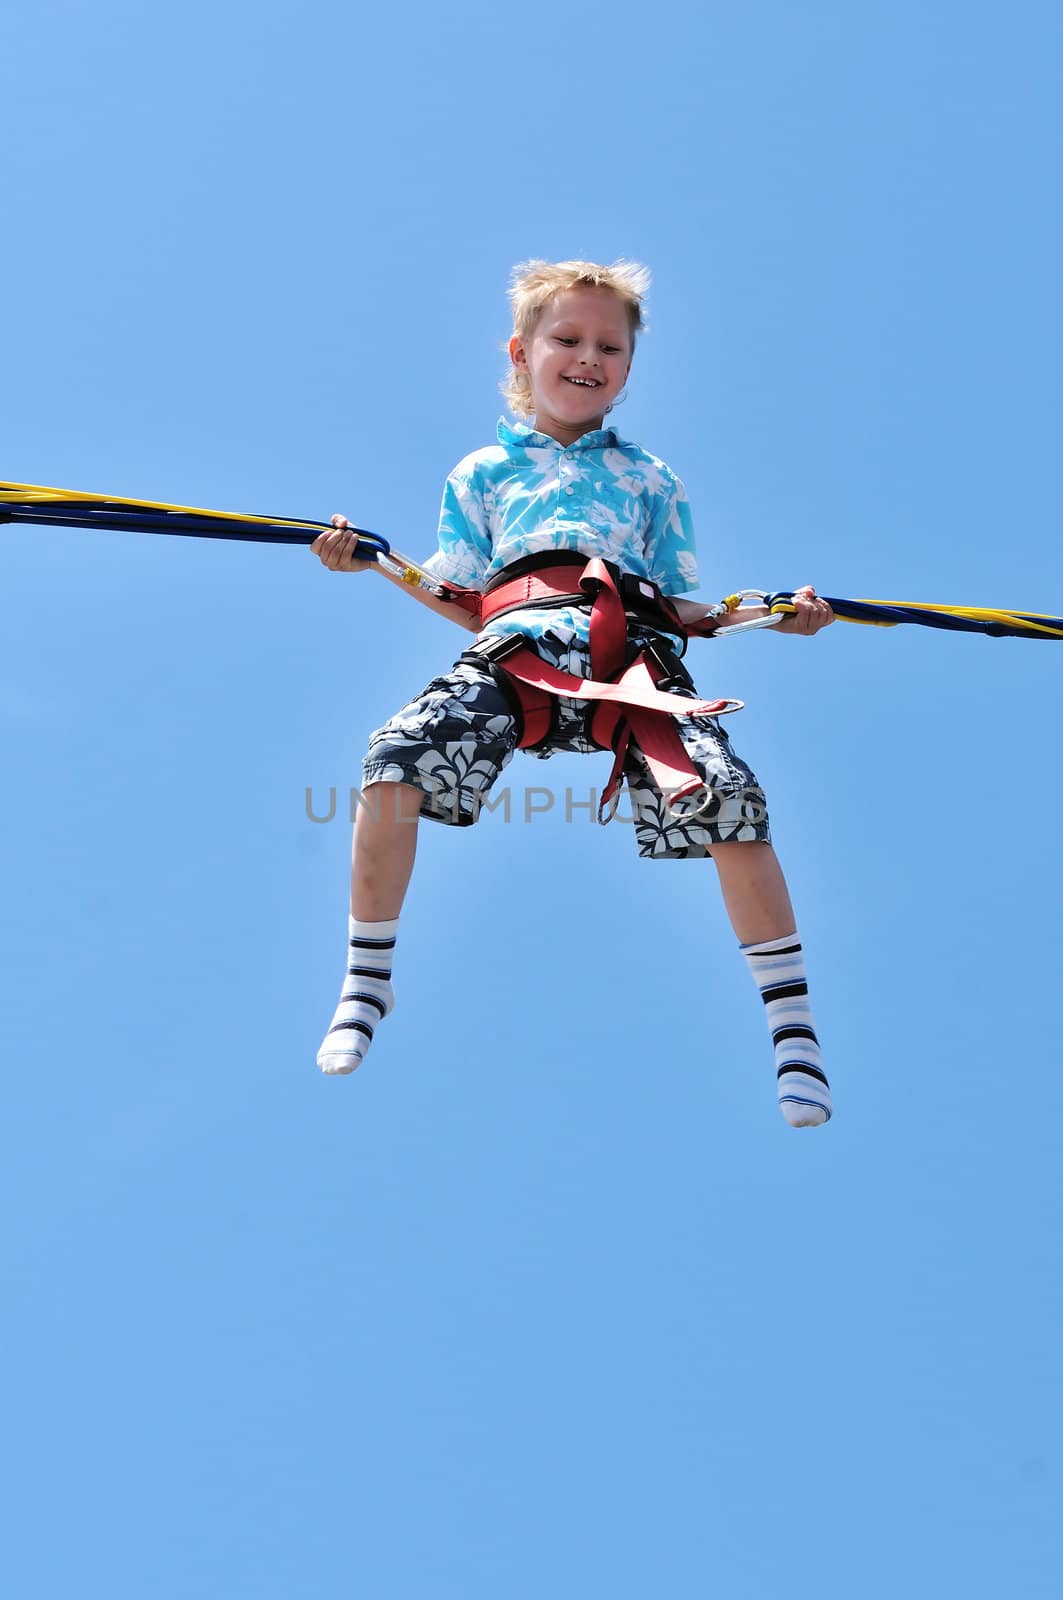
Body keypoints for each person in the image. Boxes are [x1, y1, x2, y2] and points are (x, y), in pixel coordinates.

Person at [310, 259, 835, 1126]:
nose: (587, 357)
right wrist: (368, 561)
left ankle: (793, 1029)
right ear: (522, 352)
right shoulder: (481, 471)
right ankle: (367, 979)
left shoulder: (651, 478)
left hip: (633, 659)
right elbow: (459, 593)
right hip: (516, 648)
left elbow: (683, 606)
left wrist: (772, 617)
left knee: (728, 803)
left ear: (628, 369)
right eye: (568, 339)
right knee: (392, 760)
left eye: (608, 346)